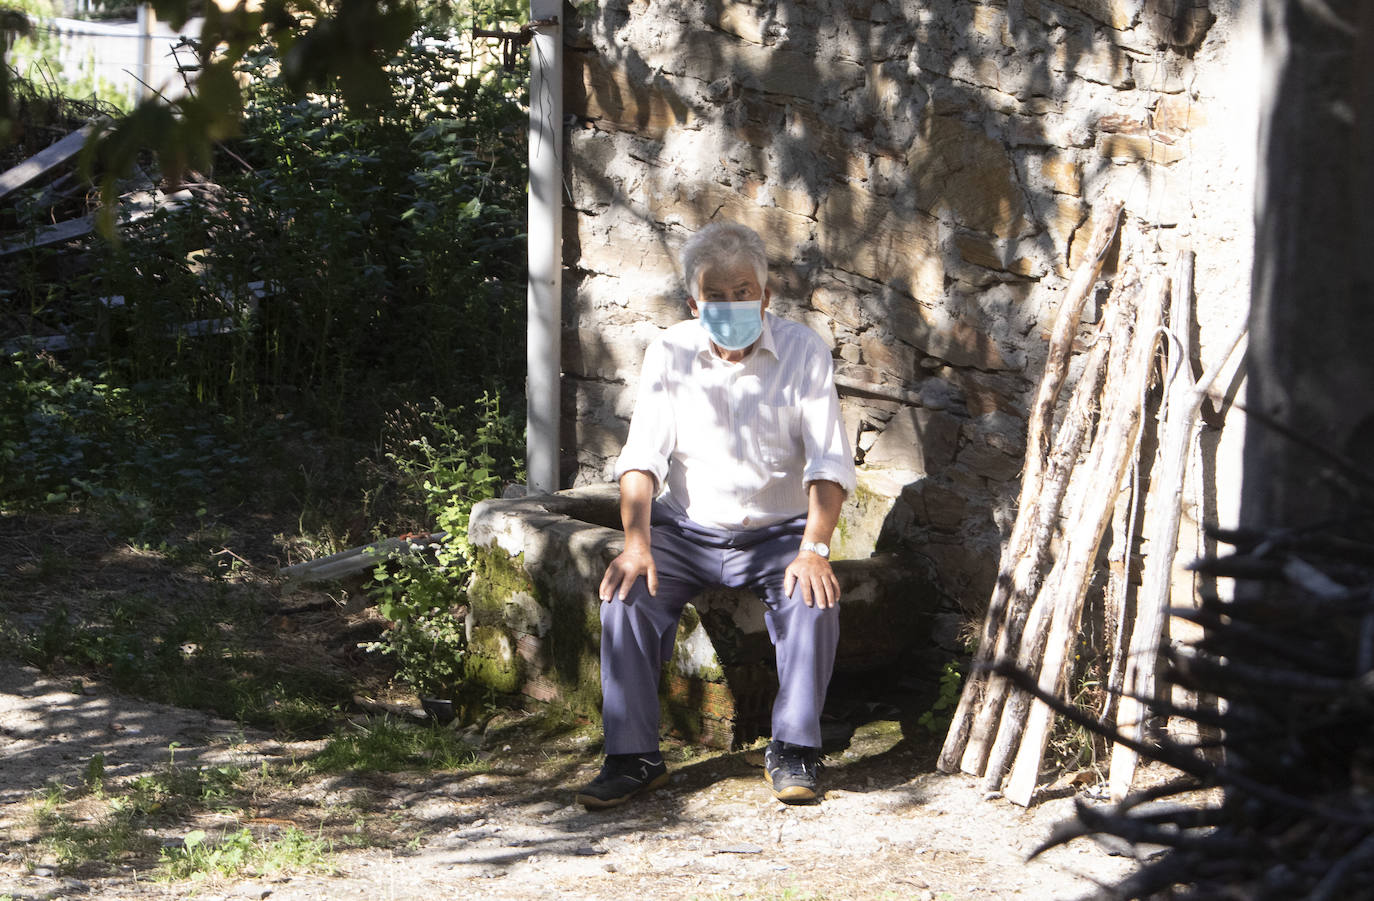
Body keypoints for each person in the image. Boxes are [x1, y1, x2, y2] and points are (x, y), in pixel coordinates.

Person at [575, 221, 857, 810]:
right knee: (625, 593)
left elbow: (830, 461)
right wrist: (636, 542)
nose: (731, 304)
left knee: (814, 597)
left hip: (778, 534)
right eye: (716, 294)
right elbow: (642, 458)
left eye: (743, 291)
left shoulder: (802, 350)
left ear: (765, 295)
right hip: (685, 529)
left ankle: (794, 749)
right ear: (693, 300)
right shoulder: (671, 351)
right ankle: (633, 757)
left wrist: (815, 547)